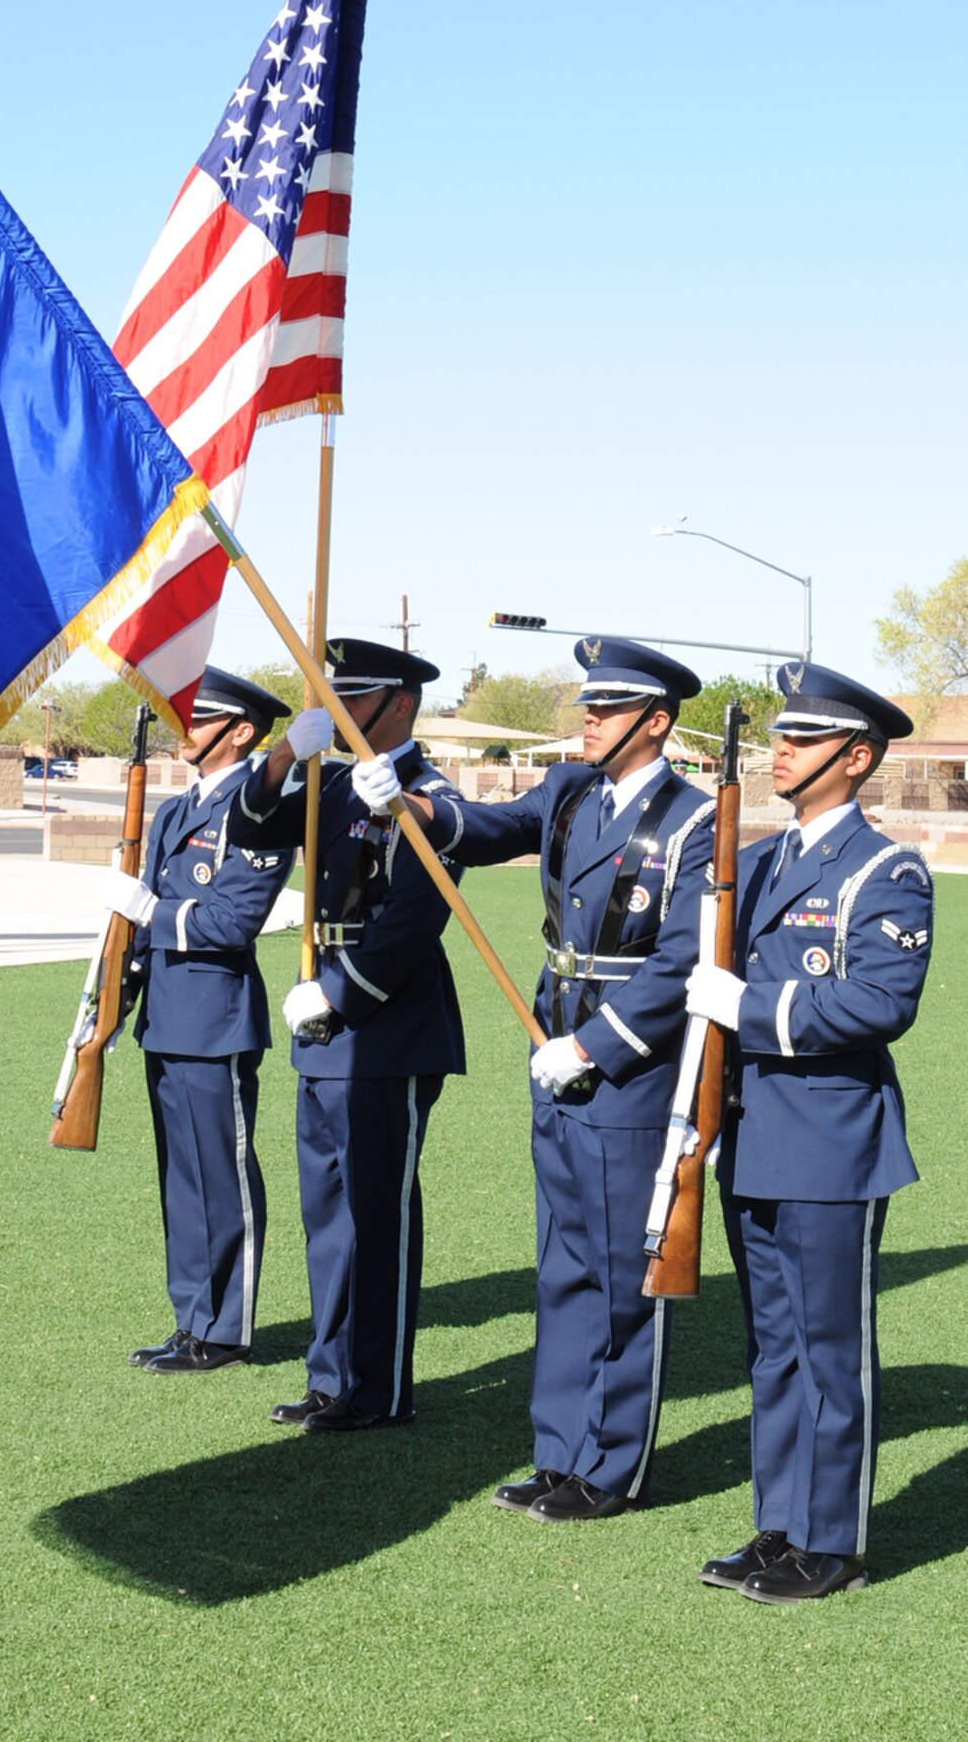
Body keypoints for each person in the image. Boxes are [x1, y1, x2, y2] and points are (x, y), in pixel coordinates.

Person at [368, 636, 713, 1518]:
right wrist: (411, 805)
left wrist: (596, 1047)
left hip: (624, 1067)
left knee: (615, 1267)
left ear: (656, 722)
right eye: (586, 704)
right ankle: (559, 1453)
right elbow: (487, 830)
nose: (586, 718)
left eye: (606, 707)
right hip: (549, 1040)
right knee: (562, 1264)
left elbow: (683, 961)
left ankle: (607, 1467)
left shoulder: (695, 820)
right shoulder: (567, 791)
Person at [686, 663, 931, 1602]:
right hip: (749, 1135)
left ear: (855, 756)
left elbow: (877, 1001)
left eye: (803, 737)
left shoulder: (884, 869)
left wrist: (748, 1006)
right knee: (773, 1345)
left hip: (830, 1140)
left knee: (831, 1349)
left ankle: (830, 1541)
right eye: (778, 736)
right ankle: (777, 1525)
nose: (780, 750)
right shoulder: (749, 862)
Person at [225, 638, 465, 1433]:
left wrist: (336, 997)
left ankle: (378, 1388)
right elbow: (252, 828)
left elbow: (408, 924)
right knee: (327, 1212)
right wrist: (279, 757)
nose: (332, 710)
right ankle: (332, 1379)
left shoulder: (426, 796)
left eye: (349, 698)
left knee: (374, 1212)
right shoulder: (330, 783)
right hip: (320, 1023)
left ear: (397, 704)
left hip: (383, 1025)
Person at [111, 667, 294, 1376]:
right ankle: (192, 1319)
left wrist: (147, 911)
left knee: (221, 1178)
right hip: (164, 1014)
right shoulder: (173, 810)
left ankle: (225, 1329)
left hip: (215, 1017)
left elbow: (233, 920)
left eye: (199, 715)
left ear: (241, 731)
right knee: (182, 1179)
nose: (184, 726)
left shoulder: (259, 805)